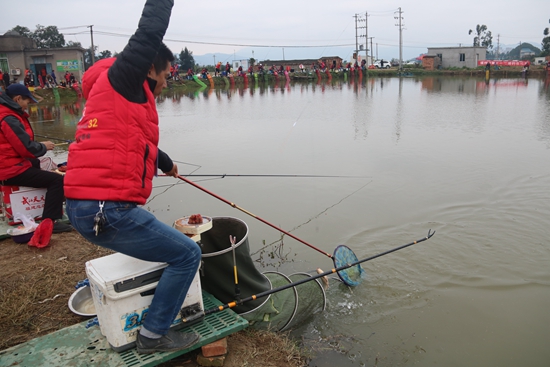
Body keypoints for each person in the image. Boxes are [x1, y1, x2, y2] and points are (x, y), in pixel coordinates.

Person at [63, 0, 201, 354]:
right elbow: (149, 30)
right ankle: (153, 336)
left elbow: (129, 143)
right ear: (150, 68)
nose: (167, 84)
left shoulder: (114, 95)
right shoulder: (124, 78)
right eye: (168, 75)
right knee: (187, 254)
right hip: (106, 209)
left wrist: (165, 160)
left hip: (86, 207)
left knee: (166, 244)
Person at [0, 84, 73, 233]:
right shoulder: (9, 118)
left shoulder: (5, 112)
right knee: (57, 180)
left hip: (6, 164)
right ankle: (50, 220)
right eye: (27, 102)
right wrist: (44, 147)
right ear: (18, 99)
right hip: (8, 169)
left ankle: (38, 204)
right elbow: (26, 149)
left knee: (35, 162)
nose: (27, 106)